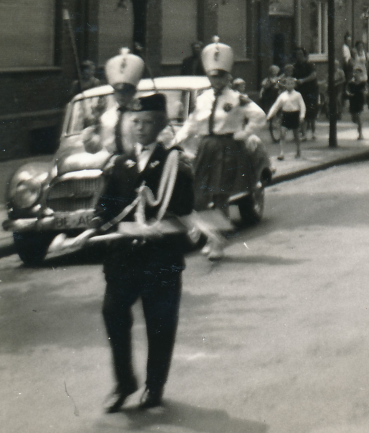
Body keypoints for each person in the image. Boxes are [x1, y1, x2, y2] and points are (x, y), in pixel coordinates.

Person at [92, 92, 195, 411]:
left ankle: (154, 386)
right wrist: (98, 221)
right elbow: (106, 208)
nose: (139, 128)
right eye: (134, 122)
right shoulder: (119, 163)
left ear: (161, 125)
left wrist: (156, 229)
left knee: (159, 323)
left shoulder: (174, 163)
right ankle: (124, 383)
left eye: (147, 122)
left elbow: (184, 211)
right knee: (112, 313)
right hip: (123, 261)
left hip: (160, 260)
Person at [173, 38, 266, 261]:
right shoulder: (203, 99)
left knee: (221, 196)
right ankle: (213, 235)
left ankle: (216, 242)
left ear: (227, 76)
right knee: (200, 197)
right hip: (206, 148)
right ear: (209, 76)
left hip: (227, 148)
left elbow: (259, 116)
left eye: (221, 76)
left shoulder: (236, 99)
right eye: (213, 76)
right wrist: (175, 141)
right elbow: (192, 123)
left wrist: (243, 134)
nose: (217, 80)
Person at [83, 49, 147, 156]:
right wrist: (93, 125)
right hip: (114, 165)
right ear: (113, 92)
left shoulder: (143, 115)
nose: (122, 95)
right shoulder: (107, 117)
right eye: (118, 91)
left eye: (126, 91)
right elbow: (93, 148)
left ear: (134, 92)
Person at [267, 76, 306, 160]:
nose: (289, 85)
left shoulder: (297, 95)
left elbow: (302, 106)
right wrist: (270, 115)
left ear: (294, 85)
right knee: (282, 134)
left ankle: (298, 150)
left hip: (294, 115)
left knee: (296, 135)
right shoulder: (282, 95)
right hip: (285, 115)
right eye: (288, 84)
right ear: (285, 85)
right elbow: (276, 106)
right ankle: (281, 153)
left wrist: (302, 116)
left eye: (291, 84)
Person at [292, 47, 319, 141]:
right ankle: (303, 134)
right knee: (301, 112)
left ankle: (313, 132)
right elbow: (291, 75)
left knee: (311, 112)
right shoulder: (295, 66)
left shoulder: (309, 64)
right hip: (300, 91)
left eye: (300, 54)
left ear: (304, 55)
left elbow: (313, 75)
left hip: (311, 90)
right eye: (297, 54)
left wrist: (303, 80)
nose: (298, 56)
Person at [345, 64, 368, 140]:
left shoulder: (362, 82)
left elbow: (366, 90)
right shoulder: (351, 83)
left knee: (358, 116)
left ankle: (360, 134)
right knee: (354, 118)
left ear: (360, 74)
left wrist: (365, 92)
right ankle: (359, 127)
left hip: (359, 100)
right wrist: (348, 94)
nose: (356, 74)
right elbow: (347, 90)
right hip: (352, 100)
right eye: (355, 72)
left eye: (358, 72)